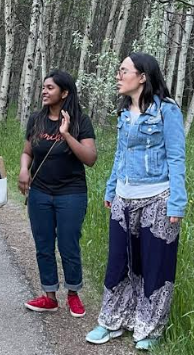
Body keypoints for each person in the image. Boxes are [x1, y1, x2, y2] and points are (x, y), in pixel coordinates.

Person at [86, 53, 186, 351]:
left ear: (142, 76)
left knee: (155, 264)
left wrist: (177, 203)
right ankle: (112, 321)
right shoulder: (123, 112)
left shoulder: (167, 111)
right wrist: (110, 189)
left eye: (123, 71)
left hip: (159, 197)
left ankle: (149, 328)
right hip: (123, 197)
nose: (118, 75)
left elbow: (177, 157)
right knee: (118, 261)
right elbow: (120, 155)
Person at [18, 70, 97, 318]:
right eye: (43, 87)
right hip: (40, 192)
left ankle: (73, 294)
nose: (44, 91)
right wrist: (23, 170)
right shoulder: (36, 120)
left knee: (68, 245)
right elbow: (28, 151)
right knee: (43, 245)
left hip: (71, 194)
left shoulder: (80, 121)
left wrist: (65, 133)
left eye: (50, 88)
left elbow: (90, 158)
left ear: (64, 93)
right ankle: (49, 296)